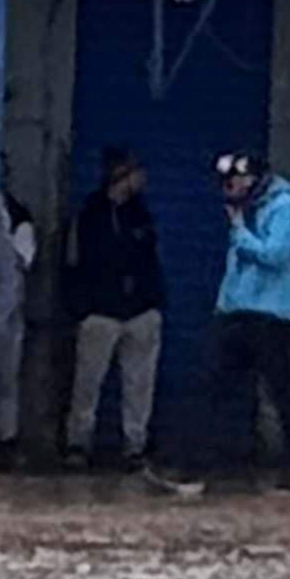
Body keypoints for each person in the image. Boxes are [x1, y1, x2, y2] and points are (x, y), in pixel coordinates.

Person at [59, 139, 173, 467]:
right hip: (100, 313)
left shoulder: (141, 213)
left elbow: (152, 259)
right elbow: (73, 263)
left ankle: (135, 444)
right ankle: (78, 443)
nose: (143, 178)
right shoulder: (90, 215)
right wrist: (81, 308)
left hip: (140, 312)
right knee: (87, 383)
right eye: (136, 171)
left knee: (139, 385)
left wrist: (153, 302)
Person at [205, 149, 290, 478]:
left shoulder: (285, 207)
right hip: (237, 311)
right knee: (212, 386)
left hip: (273, 316)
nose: (229, 188)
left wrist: (239, 230)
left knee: (280, 391)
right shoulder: (244, 209)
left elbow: (275, 254)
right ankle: (195, 463)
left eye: (235, 181)